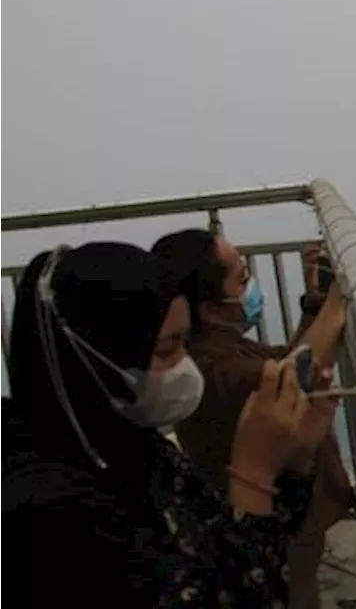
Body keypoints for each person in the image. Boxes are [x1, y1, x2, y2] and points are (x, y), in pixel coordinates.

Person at [0, 242, 339, 606]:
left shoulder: (131, 448)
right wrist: (253, 473)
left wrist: (294, 463)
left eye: (183, 342)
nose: (185, 366)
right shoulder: (45, 513)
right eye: (167, 349)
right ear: (95, 359)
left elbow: (227, 549)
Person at [152, 229, 351, 609]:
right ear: (210, 308)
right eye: (242, 279)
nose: (250, 287)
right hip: (272, 518)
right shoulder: (219, 372)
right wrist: (341, 297)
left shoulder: (221, 346)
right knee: (296, 592)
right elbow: (299, 372)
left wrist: (315, 303)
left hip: (282, 513)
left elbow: (290, 357)